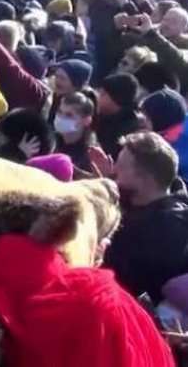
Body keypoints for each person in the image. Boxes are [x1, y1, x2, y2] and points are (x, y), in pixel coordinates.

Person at [105, 132, 188, 305]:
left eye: (121, 167)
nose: (114, 171)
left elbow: (126, 285)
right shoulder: (139, 207)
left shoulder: (164, 231)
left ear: (145, 179)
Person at [96, 73, 144, 158]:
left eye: (103, 94)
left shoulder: (129, 129)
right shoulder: (100, 116)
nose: (98, 96)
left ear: (116, 99)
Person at [54, 92, 98, 173]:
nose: (61, 117)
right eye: (60, 112)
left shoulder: (90, 156)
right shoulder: (51, 141)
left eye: (69, 115)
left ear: (86, 121)